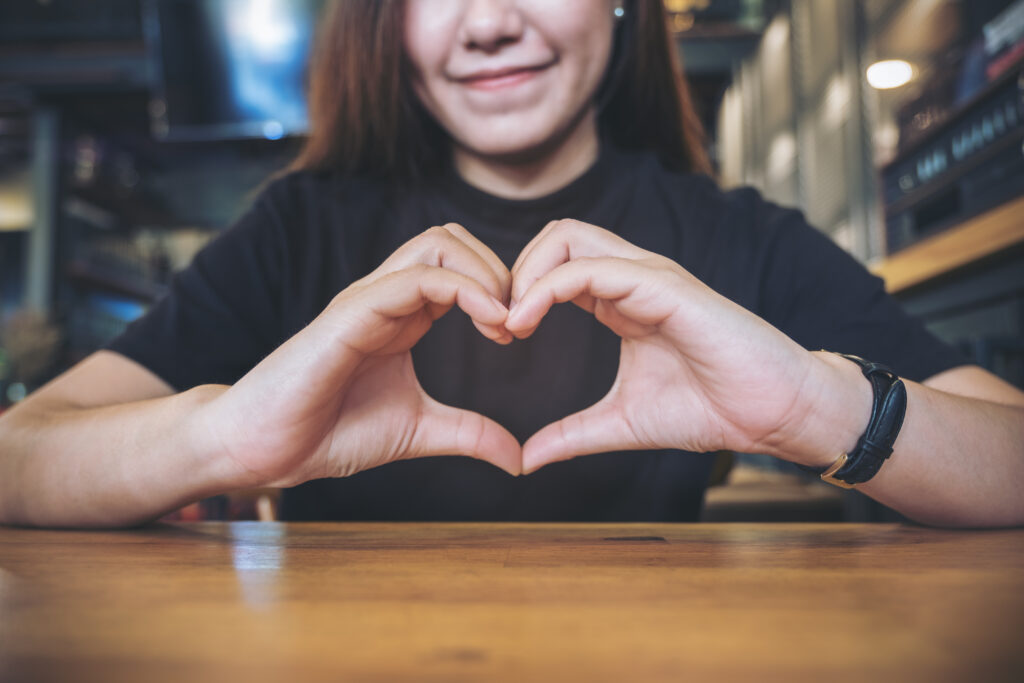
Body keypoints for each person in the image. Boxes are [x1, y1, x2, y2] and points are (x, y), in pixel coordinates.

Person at [1, 0, 1022, 529]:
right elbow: (18, 455)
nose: (488, 22)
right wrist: (225, 436)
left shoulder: (735, 235)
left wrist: (813, 407)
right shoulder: (296, 228)